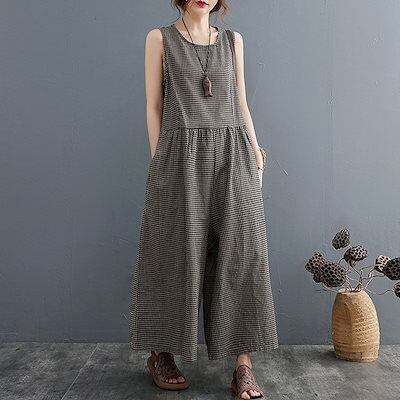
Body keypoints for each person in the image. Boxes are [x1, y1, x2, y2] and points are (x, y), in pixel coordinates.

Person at [129, 1, 279, 398]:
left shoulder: (233, 41)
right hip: (179, 156)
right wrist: (159, 160)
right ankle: (161, 353)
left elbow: (240, 101)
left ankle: (243, 364)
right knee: (172, 253)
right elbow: (153, 106)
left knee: (241, 254)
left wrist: (255, 149)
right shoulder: (159, 39)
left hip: (233, 154)